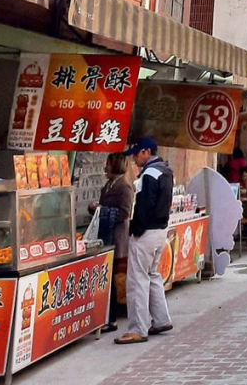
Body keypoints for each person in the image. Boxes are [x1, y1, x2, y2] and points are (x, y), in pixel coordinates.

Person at [115, 138, 173, 345]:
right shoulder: (165, 170)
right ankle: (161, 319)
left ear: (147, 152)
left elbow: (144, 207)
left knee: (137, 280)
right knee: (153, 275)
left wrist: (137, 231)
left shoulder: (149, 174)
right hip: (160, 230)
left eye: (137, 154)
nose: (135, 159)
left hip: (146, 232)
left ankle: (138, 329)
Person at [89, 153, 133, 332]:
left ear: (115, 166)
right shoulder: (107, 186)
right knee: (104, 279)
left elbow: (124, 213)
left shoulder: (125, 187)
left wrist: (104, 210)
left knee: (113, 279)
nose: (104, 168)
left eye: (107, 164)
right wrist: (95, 209)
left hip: (116, 238)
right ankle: (104, 317)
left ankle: (112, 319)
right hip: (104, 237)